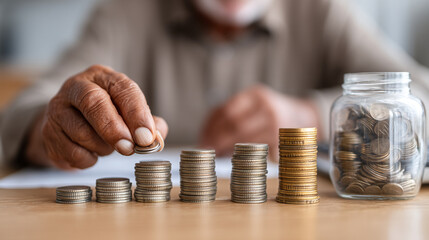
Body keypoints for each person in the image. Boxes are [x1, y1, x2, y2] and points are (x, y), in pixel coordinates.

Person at [1, 0, 429, 169]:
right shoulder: (123, 13)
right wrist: (55, 126)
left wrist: (309, 116)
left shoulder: (324, 12)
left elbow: (422, 96)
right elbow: (22, 115)